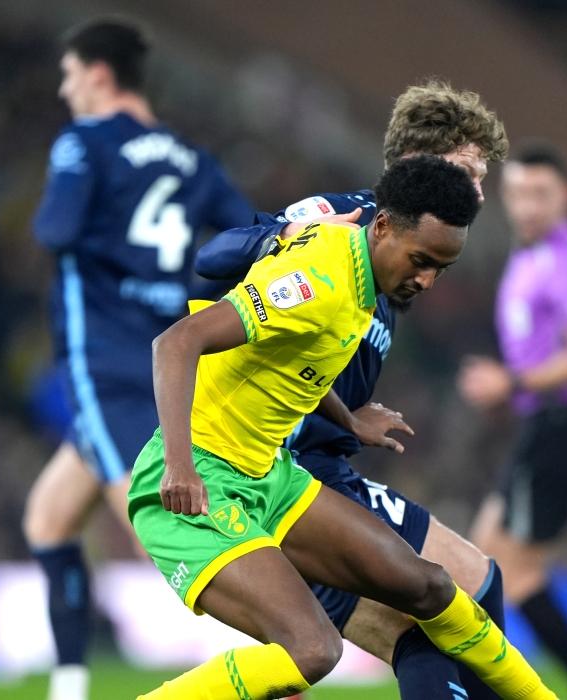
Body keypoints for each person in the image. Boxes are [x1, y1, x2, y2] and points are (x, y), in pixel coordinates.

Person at [129, 155, 562, 699]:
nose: (427, 280)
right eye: (421, 261)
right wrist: (179, 465)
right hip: (196, 484)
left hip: (269, 477)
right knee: (313, 650)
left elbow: (296, 360)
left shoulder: (361, 276)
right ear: (382, 226)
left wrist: (348, 417)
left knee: (429, 585)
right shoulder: (320, 279)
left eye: (441, 269)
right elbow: (176, 342)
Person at [196, 80, 520, 700]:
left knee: (421, 627)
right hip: (284, 472)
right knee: (469, 588)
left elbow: (306, 355)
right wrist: (282, 236)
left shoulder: (408, 256)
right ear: (422, 162)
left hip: (316, 466)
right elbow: (214, 259)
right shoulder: (344, 221)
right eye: (472, 173)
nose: (481, 192)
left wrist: (347, 414)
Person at [22, 18, 253, 700]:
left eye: (69, 77)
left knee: (159, 531)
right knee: (49, 518)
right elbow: (249, 237)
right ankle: (69, 686)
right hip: (167, 366)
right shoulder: (191, 159)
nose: (65, 92)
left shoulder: (84, 143)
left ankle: (282, 642)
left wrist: (106, 242)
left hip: (102, 360)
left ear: (98, 75)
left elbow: (54, 229)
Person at [457, 146, 567, 699]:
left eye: (540, 194)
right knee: (483, 558)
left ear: (565, 197)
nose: (527, 206)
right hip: (546, 424)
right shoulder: (530, 256)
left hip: (565, 426)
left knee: (507, 571)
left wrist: (511, 382)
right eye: (518, 194)